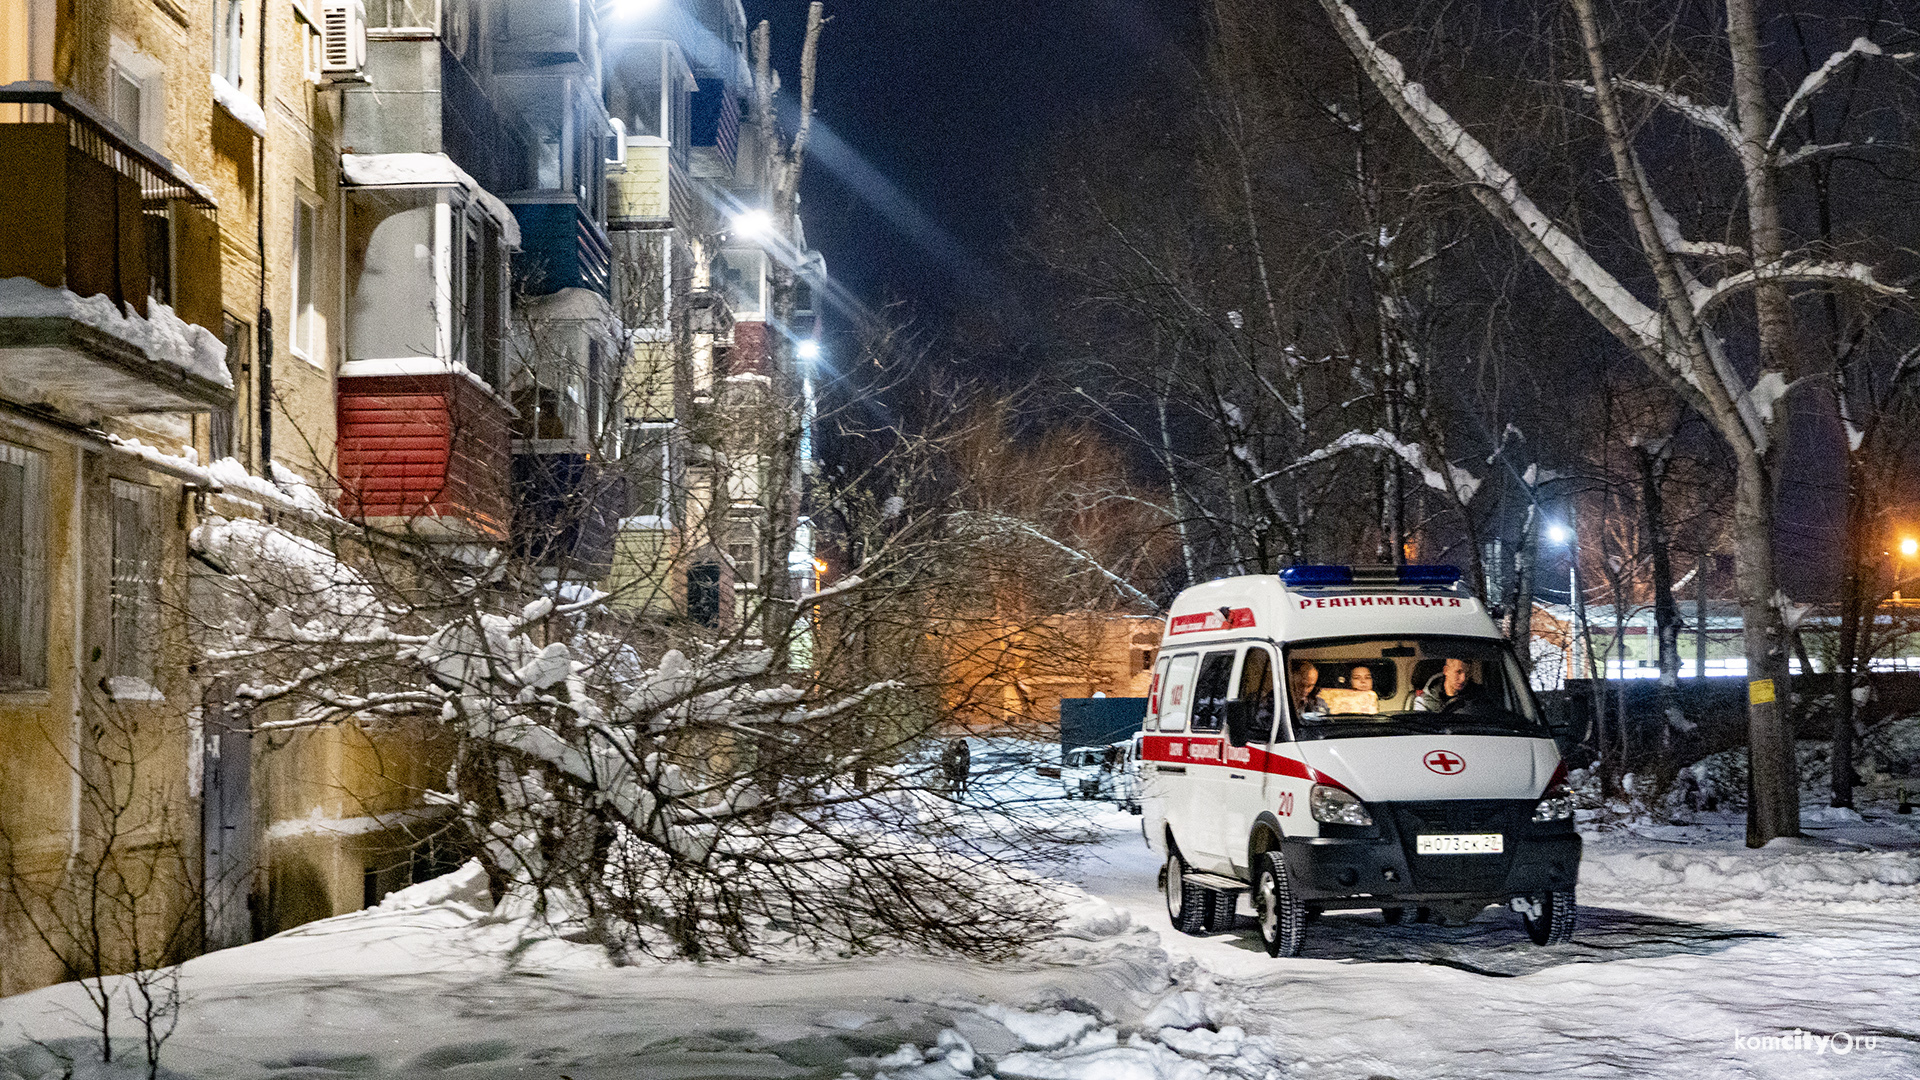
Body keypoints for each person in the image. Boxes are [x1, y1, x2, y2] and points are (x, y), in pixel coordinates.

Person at [1414, 657, 1486, 712]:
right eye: (1458, 672)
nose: (1463, 678)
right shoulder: (1423, 702)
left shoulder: (1479, 700)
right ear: (1446, 670)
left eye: (1467, 674)